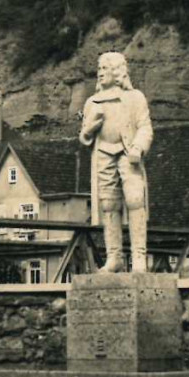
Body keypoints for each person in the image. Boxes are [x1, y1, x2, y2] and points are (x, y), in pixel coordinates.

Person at [78, 52, 153, 272]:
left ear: (118, 70)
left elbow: (145, 127)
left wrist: (138, 147)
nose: (100, 73)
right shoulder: (91, 102)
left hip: (127, 152)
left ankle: (139, 256)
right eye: (99, 69)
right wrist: (89, 127)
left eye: (105, 68)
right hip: (103, 154)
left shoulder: (134, 97)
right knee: (109, 204)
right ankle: (114, 256)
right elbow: (85, 136)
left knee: (135, 199)